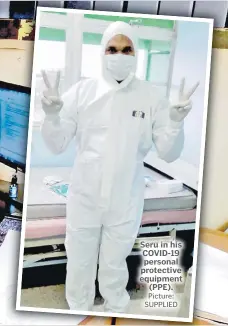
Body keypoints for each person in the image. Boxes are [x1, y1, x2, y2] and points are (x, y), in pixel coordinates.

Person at [39, 21, 198, 313]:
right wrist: (51, 116)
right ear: (102, 51)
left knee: (114, 266)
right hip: (85, 196)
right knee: (79, 263)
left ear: (136, 54)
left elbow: (168, 153)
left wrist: (176, 122)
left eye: (127, 49)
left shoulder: (151, 96)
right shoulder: (82, 92)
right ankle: (79, 312)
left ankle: (116, 311)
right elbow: (57, 143)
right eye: (113, 48)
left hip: (126, 198)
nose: (119, 55)